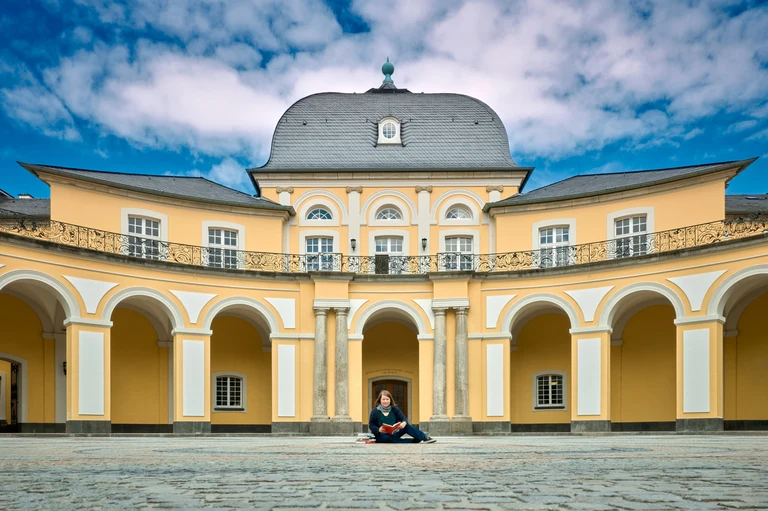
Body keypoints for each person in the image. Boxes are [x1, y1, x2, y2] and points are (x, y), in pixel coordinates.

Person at [368, 390, 436, 443]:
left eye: (387, 399)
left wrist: (403, 422)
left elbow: (404, 418)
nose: (385, 401)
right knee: (387, 438)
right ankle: (411, 441)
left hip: (395, 432)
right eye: (383, 399)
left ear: (390, 400)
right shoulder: (375, 411)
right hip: (382, 435)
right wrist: (378, 429)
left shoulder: (394, 409)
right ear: (380, 400)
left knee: (407, 426)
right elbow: (371, 425)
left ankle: (425, 438)